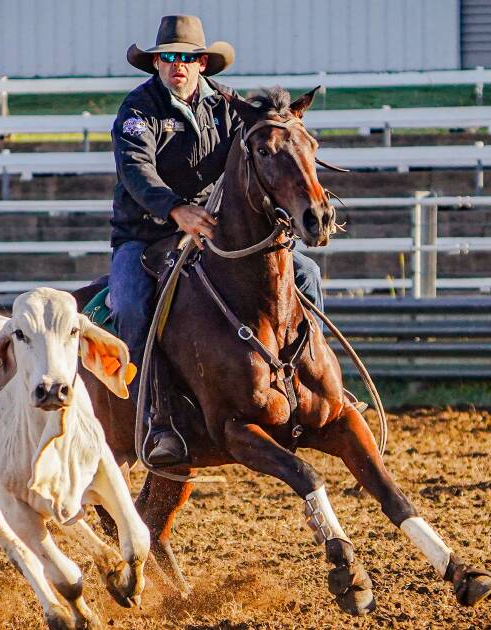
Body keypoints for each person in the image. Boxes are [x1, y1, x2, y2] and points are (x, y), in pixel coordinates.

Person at [110, 15, 324, 467]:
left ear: (203, 63)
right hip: (146, 235)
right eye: (167, 57)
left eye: (186, 57)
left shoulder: (230, 108)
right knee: (130, 304)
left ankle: (316, 382)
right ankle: (155, 416)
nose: (177, 65)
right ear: (156, 64)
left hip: (212, 229)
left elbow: (263, 147)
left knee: (305, 271)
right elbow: (135, 169)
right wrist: (174, 208)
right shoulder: (138, 110)